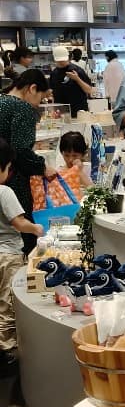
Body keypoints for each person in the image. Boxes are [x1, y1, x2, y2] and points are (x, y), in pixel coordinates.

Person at [0, 136, 44, 369]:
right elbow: (18, 223)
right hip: (7, 256)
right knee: (7, 304)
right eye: (8, 168)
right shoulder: (4, 192)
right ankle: (6, 351)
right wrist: (36, 228)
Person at [0, 70, 55, 253]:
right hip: (13, 181)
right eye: (41, 98)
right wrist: (42, 166)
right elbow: (21, 151)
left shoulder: (2, 100)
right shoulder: (22, 108)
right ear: (32, 88)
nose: (39, 104)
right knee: (22, 236)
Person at [49, 46, 93, 118]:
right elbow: (53, 93)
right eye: (59, 61)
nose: (61, 62)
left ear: (68, 58)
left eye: (63, 60)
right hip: (61, 112)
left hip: (79, 112)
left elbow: (89, 90)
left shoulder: (77, 70)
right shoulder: (54, 73)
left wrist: (77, 79)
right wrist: (53, 108)